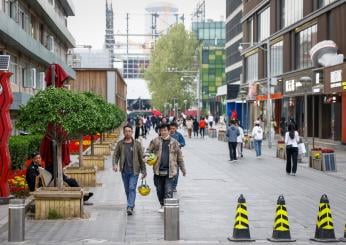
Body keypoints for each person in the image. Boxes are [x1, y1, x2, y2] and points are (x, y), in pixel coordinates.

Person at [146, 123, 186, 213]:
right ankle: (162, 204)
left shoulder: (175, 142)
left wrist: (183, 169)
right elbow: (148, 151)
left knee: (168, 190)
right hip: (158, 171)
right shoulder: (155, 141)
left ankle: (167, 206)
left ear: (169, 131)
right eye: (161, 130)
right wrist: (147, 157)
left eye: (165, 130)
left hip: (170, 171)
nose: (163, 132)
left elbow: (179, 157)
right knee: (159, 190)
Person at [26, 152, 93, 201]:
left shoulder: (37, 166)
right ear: (33, 159)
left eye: (39, 158)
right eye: (36, 158)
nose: (38, 159)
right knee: (69, 180)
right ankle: (82, 196)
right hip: (38, 187)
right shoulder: (31, 168)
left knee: (65, 177)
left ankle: (82, 194)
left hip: (45, 183)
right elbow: (34, 181)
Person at [113, 125, 147, 215]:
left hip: (134, 171)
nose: (128, 133)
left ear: (132, 132)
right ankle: (131, 203)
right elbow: (115, 155)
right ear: (123, 132)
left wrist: (144, 171)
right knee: (127, 189)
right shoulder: (120, 144)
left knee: (132, 188)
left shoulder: (137, 144)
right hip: (124, 171)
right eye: (126, 131)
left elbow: (141, 158)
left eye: (129, 131)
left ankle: (130, 206)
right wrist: (115, 164)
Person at [169, 122, 186, 192]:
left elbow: (183, 143)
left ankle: (174, 186)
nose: (172, 130)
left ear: (176, 128)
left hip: (176, 155)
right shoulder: (167, 134)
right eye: (171, 128)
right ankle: (169, 185)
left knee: (176, 172)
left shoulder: (179, 135)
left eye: (173, 128)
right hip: (168, 156)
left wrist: (179, 145)